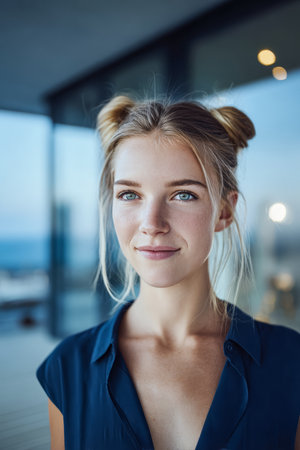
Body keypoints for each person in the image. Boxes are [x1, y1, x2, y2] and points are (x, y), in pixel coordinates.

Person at [37, 95, 300, 450]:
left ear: (224, 211)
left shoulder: (291, 362)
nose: (151, 224)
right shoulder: (68, 368)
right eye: (130, 194)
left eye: (183, 195)